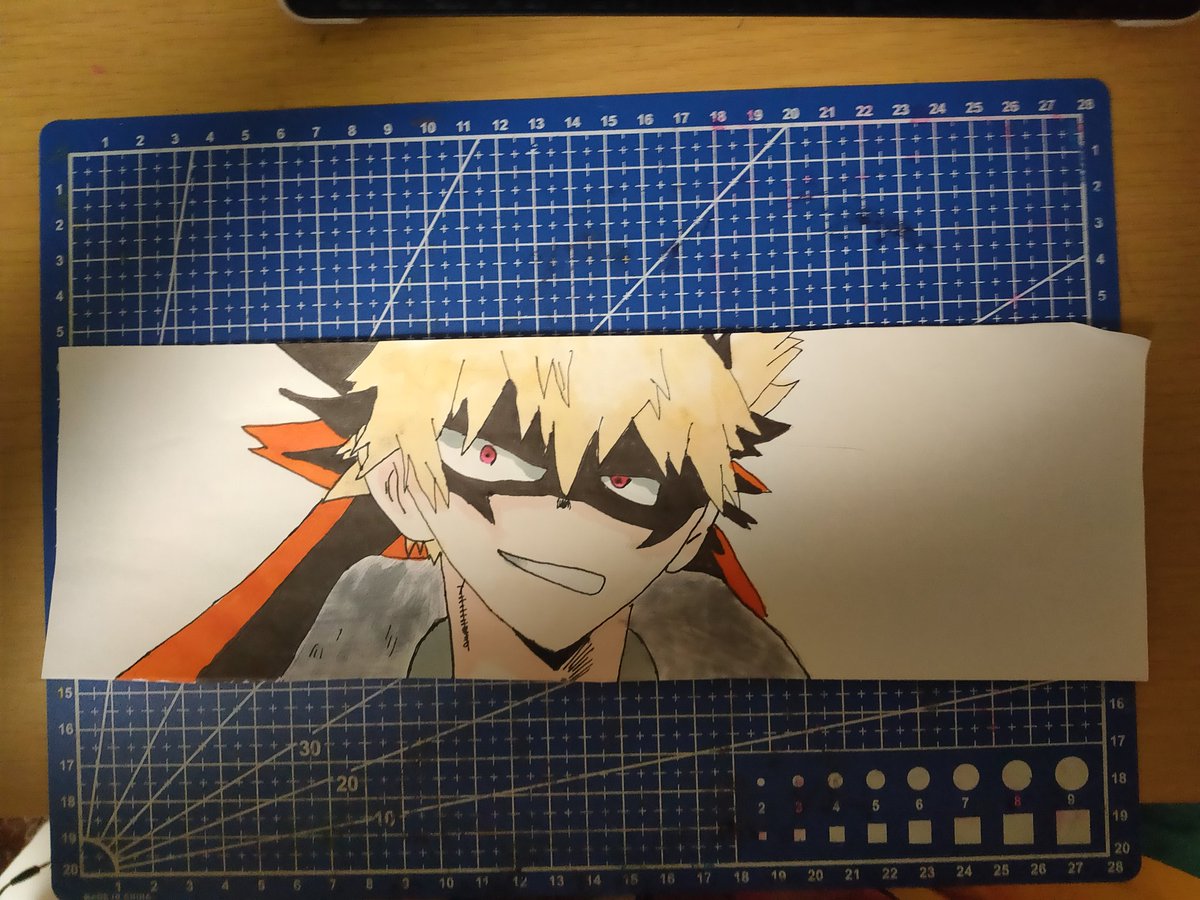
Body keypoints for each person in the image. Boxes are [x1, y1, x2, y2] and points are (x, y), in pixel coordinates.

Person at [121, 331, 807, 682]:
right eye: (491, 457)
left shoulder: (732, 658)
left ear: (690, 529)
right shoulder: (355, 631)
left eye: (629, 482)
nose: (563, 518)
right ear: (398, 485)